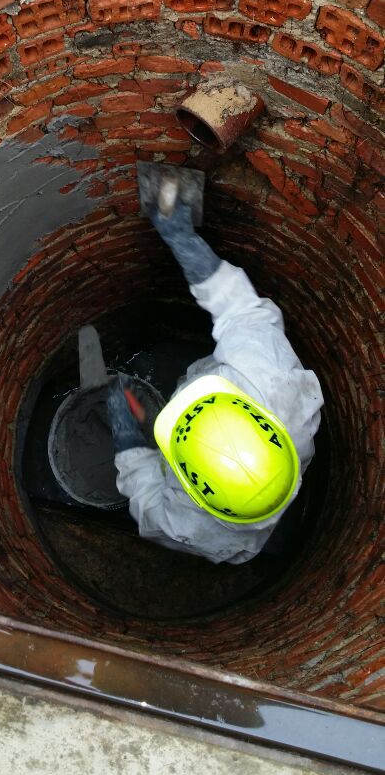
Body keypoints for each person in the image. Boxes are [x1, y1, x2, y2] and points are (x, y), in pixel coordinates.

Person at [106, 196, 324, 564]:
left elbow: (146, 497)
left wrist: (128, 441)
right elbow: (241, 311)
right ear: (253, 414)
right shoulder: (274, 385)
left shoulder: (194, 529)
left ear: (193, 489)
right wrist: (185, 243)